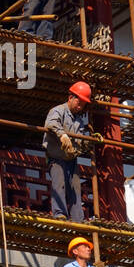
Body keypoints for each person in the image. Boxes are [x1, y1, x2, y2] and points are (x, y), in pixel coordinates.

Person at [43, 81, 92, 220]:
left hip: (71, 159)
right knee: (59, 184)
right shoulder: (58, 110)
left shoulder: (78, 121)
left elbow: (80, 141)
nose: (80, 107)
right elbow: (51, 123)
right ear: (71, 98)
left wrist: (89, 141)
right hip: (55, 157)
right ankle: (60, 214)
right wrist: (62, 134)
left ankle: (78, 218)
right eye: (79, 103)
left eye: (83, 105)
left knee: (75, 188)